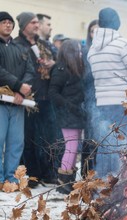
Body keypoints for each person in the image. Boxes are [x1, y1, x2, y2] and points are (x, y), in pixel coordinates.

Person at [88, 7, 127, 179]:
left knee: (106, 144)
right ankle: (122, 184)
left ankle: (103, 185)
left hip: (102, 104)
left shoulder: (93, 49)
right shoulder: (124, 45)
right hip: (123, 103)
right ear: (116, 22)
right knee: (124, 144)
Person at [14, 12, 59, 186]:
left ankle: (49, 173)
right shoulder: (17, 45)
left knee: (49, 138)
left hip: (47, 97)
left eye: (36, 22)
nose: (37, 25)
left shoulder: (45, 44)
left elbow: (58, 62)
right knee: (29, 138)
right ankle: (32, 175)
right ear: (24, 25)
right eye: (33, 22)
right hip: (27, 98)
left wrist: (52, 64)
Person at [0, 11, 34, 188]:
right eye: (4, 22)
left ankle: (11, 179)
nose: (8, 25)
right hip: (1, 102)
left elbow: (30, 70)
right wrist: (18, 85)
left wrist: (22, 90)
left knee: (16, 142)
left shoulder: (20, 49)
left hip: (19, 102)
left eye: (10, 22)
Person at [49, 39, 85, 194]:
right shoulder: (61, 69)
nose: (80, 53)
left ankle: (68, 180)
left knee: (73, 148)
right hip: (68, 115)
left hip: (75, 114)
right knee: (70, 148)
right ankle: (64, 183)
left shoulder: (75, 69)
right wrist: (69, 106)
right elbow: (53, 93)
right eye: (77, 50)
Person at [80, 19, 98, 177]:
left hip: (104, 99)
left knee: (102, 137)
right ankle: (86, 173)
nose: (95, 33)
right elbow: (82, 77)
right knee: (90, 137)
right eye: (93, 31)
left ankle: (99, 172)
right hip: (88, 99)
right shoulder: (85, 51)